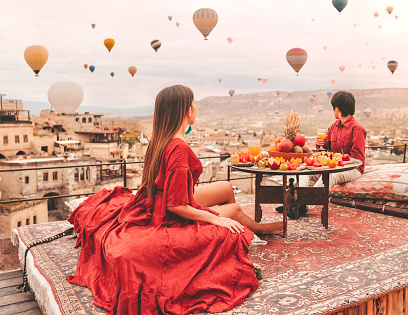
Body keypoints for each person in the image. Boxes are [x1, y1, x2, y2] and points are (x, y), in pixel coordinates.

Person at [67, 85, 282, 315]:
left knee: (227, 187)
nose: (196, 107)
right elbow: (175, 205)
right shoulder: (178, 148)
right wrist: (215, 219)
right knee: (234, 209)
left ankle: (250, 234)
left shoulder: (161, 139)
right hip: (170, 213)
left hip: (161, 199)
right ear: (187, 111)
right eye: (194, 103)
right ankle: (259, 229)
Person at [301, 90, 366, 189]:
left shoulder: (357, 128)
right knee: (304, 171)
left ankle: (309, 203)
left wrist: (337, 163)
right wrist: (320, 143)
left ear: (337, 109)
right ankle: (300, 201)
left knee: (330, 176)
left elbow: (356, 158)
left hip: (354, 168)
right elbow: (326, 145)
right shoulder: (334, 126)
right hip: (334, 166)